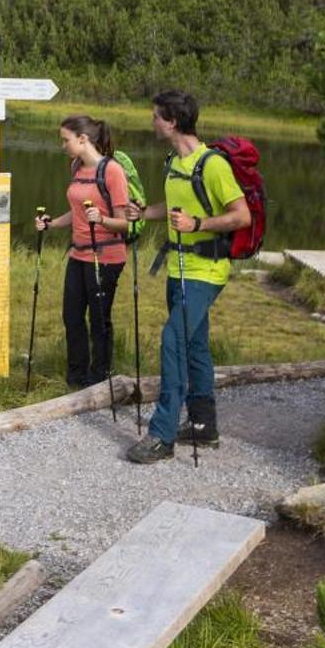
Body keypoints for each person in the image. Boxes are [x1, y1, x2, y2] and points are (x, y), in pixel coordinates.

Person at [124, 89, 251, 464]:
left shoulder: (212, 165)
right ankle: (203, 426)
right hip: (177, 268)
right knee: (194, 345)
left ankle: (161, 435)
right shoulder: (173, 162)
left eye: (156, 117)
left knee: (172, 340)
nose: (152, 122)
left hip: (206, 270)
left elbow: (241, 215)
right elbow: (174, 207)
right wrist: (144, 213)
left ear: (173, 121)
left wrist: (199, 224)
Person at [34, 115, 132, 390]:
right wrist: (51, 224)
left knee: (99, 319)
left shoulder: (112, 171)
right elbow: (77, 212)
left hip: (106, 256)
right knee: (72, 316)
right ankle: (76, 378)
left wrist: (100, 220)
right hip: (78, 255)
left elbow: (124, 222)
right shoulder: (77, 167)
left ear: (83, 139)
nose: (62, 145)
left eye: (65, 140)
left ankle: (99, 377)